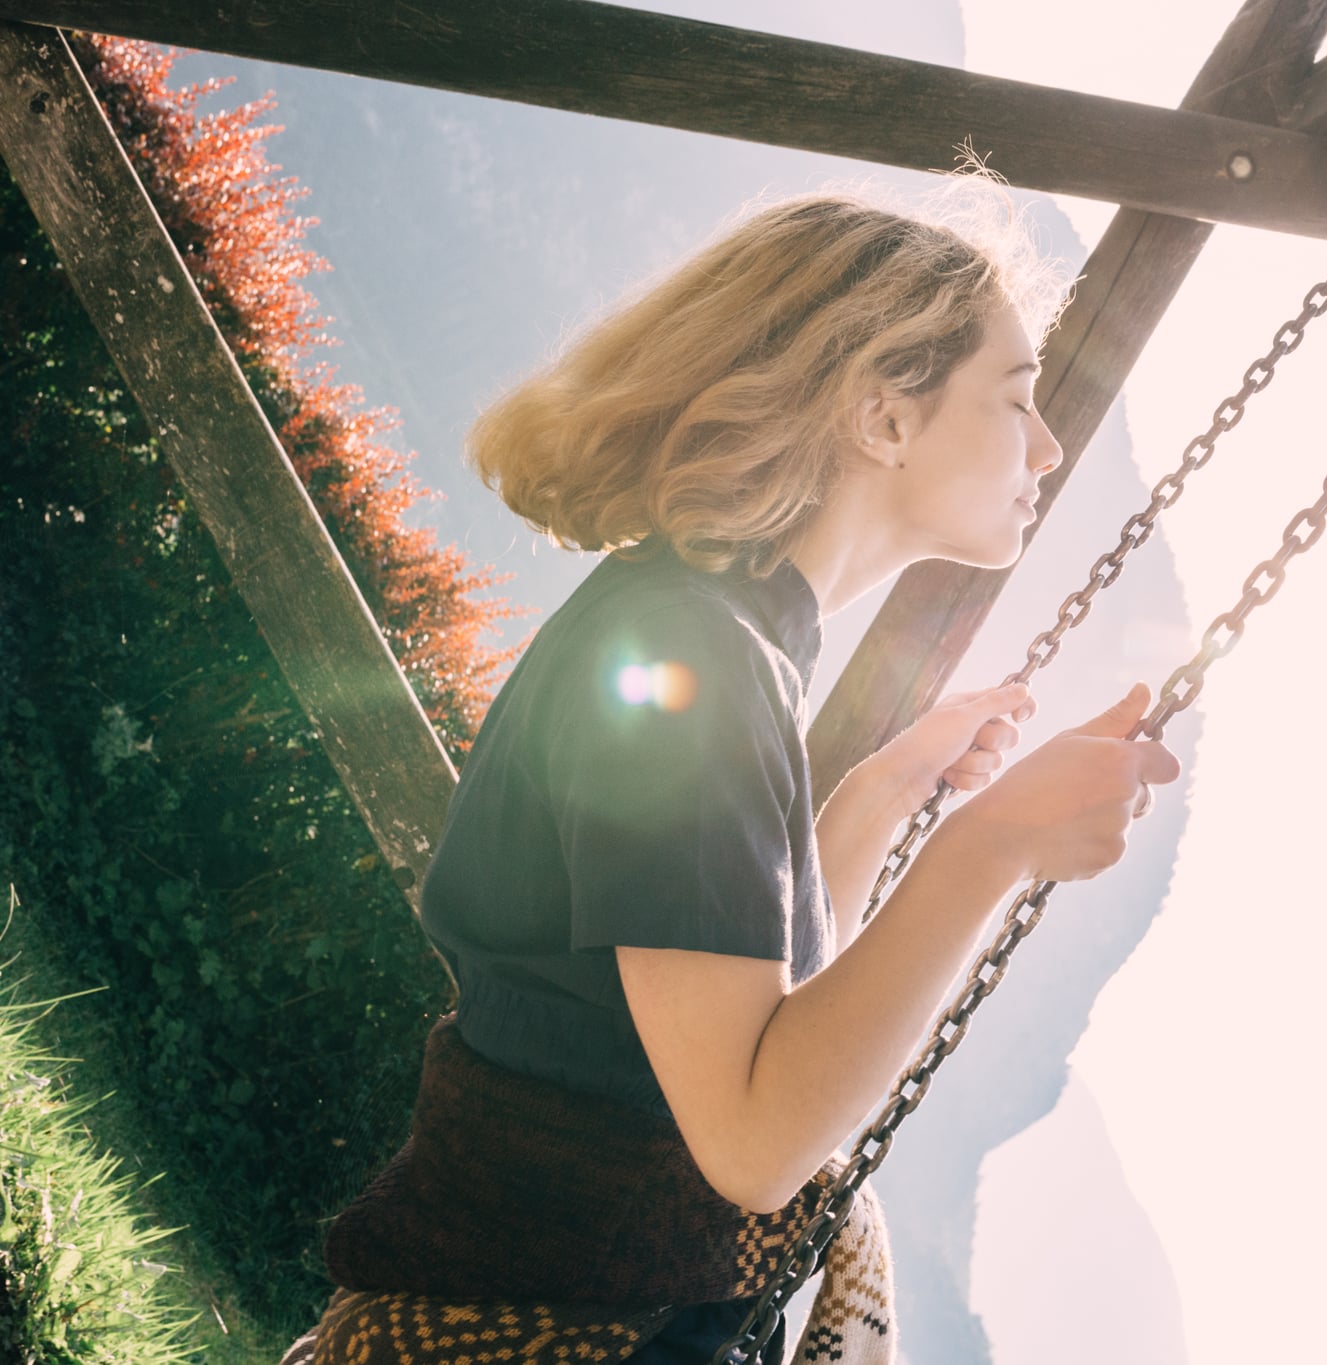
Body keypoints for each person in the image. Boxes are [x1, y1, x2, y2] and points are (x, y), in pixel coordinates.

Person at [286, 190, 1181, 1365]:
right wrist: (990, 846)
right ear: (881, 416)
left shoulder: (708, 630)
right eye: (1015, 398)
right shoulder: (694, 662)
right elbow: (755, 1141)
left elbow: (739, 1005)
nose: (1049, 444)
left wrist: (878, 798)